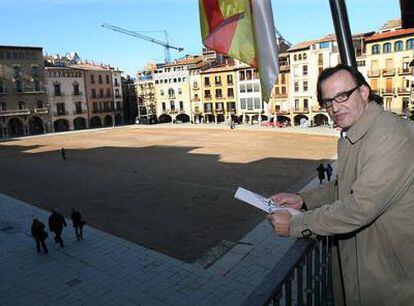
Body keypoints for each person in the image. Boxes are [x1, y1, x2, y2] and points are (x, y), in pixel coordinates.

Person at [266, 64, 414, 306]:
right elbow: (343, 188)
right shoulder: (356, 134)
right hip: (367, 271)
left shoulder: (390, 135)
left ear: (364, 92)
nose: (335, 107)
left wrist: (296, 224)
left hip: (392, 282)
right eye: (328, 101)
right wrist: (303, 200)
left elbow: (359, 207)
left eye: (342, 96)